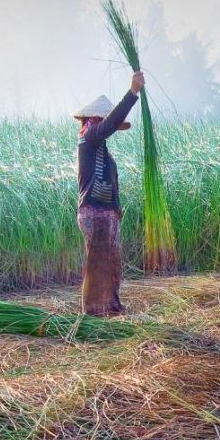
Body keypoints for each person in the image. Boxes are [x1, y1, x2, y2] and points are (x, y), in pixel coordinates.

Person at [72, 71, 143, 316]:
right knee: (98, 265)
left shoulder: (98, 146)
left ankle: (111, 309)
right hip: (94, 212)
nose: (106, 126)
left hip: (105, 214)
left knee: (111, 262)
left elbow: (111, 182)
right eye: (101, 121)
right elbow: (113, 122)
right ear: (93, 119)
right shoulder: (89, 138)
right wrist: (132, 92)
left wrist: (116, 209)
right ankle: (93, 314)